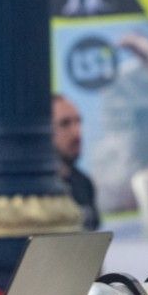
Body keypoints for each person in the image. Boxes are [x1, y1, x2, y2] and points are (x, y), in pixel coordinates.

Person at [52, 94, 99, 230]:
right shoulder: (31, 189)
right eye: (65, 124)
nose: (76, 132)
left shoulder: (84, 183)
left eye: (78, 122)